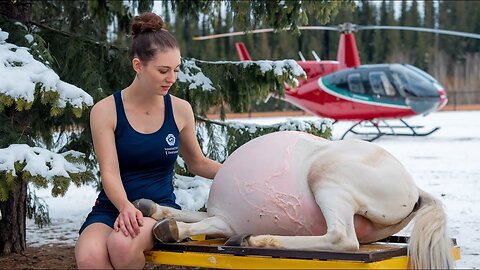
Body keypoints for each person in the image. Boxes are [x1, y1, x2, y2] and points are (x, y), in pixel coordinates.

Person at [75, 12, 221, 269]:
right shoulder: (105, 110)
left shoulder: (180, 109)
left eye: (176, 70)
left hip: (158, 211)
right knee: (90, 257)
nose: (172, 79)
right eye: (163, 70)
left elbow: (198, 163)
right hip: (112, 207)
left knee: (122, 244)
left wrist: (241, 174)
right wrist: (124, 207)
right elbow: (109, 172)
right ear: (138, 66)